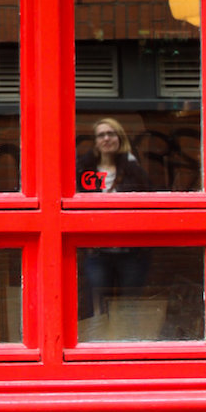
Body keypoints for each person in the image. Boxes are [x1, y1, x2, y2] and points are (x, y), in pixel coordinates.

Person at [76, 118, 152, 318]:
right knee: (97, 306)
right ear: (95, 141)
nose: (107, 138)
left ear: (120, 138)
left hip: (131, 251)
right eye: (101, 135)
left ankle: (129, 344)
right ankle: (97, 345)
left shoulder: (133, 170)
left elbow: (146, 206)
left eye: (111, 134)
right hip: (97, 252)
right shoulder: (85, 170)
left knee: (130, 307)